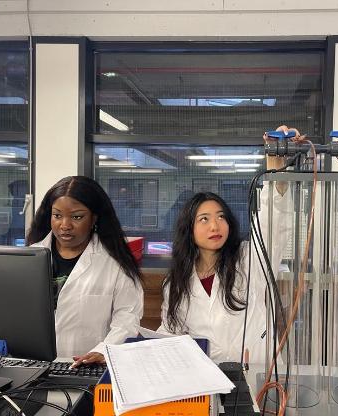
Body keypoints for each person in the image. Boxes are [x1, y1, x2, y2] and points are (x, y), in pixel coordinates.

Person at [157, 126, 300, 363]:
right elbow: (170, 332)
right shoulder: (176, 282)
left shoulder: (248, 259)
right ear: (189, 230)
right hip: (205, 380)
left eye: (221, 217)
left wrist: (276, 164)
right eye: (204, 219)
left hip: (256, 373)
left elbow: (273, 222)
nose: (215, 226)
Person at [26, 176, 143, 366]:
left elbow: (127, 317)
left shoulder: (115, 262)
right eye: (57, 216)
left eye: (77, 217)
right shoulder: (30, 256)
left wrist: (103, 351)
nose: (65, 225)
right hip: (32, 364)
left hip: (87, 365)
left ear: (94, 218)